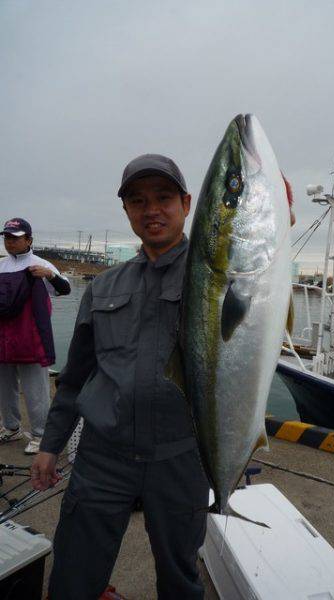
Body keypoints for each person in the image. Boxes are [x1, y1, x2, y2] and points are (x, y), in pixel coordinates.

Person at [32, 155, 210, 600]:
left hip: (180, 457)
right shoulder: (103, 287)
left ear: (187, 204)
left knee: (180, 578)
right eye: (138, 200)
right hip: (102, 456)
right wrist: (51, 445)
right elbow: (75, 378)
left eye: (164, 198)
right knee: (73, 575)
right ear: (127, 211)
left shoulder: (215, 281)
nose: (152, 209)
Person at [0, 218, 71, 454]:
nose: (10, 242)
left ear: (29, 240)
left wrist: (49, 275)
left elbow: (65, 289)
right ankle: (11, 428)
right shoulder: (1, 266)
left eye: (15, 237)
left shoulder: (41, 265)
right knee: (4, 386)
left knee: (36, 390)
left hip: (31, 337)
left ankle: (41, 434)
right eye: (7, 237)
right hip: (4, 338)